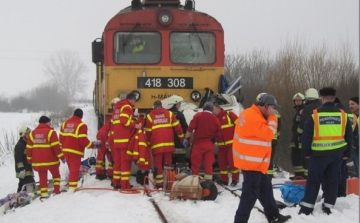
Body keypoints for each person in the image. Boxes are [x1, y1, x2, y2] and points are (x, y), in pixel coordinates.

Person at [232, 93, 291, 223]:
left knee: (265, 189)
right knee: (249, 195)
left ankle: (273, 215)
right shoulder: (254, 117)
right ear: (266, 106)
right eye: (273, 108)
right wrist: (273, 118)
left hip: (255, 161)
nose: (274, 111)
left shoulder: (249, 113)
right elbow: (269, 134)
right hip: (252, 162)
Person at [299, 87, 353, 215]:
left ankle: (307, 208)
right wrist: (347, 153)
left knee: (314, 181)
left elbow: (306, 136)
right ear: (334, 99)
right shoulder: (343, 115)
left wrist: (306, 153)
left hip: (318, 155)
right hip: (337, 154)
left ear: (322, 98)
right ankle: (328, 206)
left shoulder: (315, 115)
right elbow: (349, 136)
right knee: (333, 180)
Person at [145, 100, 184, 188]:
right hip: (168, 144)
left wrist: (148, 143)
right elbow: (177, 127)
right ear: (162, 106)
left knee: (158, 163)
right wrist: (182, 138)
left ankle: (159, 183)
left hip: (156, 145)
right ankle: (168, 182)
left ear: (154, 107)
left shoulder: (150, 116)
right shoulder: (169, 114)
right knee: (168, 163)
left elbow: (148, 132)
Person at [26, 116, 65, 198]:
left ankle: (44, 193)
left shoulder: (32, 134)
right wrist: (62, 157)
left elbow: (29, 148)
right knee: (56, 176)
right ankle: (57, 190)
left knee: (42, 178)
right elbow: (56, 148)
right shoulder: (51, 132)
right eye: (49, 122)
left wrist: (29, 159)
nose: (50, 124)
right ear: (46, 122)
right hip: (51, 160)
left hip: (38, 161)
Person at [59, 109, 98, 192]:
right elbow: (82, 140)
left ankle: (71, 185)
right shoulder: (81, 125)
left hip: (66, 151)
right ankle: (72, 189)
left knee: (71, 169)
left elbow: (61, 138)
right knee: (74, 171)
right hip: (75, 152)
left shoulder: (64, 123)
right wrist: (92, 145)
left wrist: (63, 148)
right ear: (81, 116)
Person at [184, 101, 223, 181]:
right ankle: (208, 183)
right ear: (212, 109)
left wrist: (186, 138)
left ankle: (194, 182)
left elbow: (190, 129)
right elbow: (219, 133)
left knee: (195, 165)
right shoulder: (215, 119)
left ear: (203, 108)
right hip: (209, 145)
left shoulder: (198, 116)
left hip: (198, 145)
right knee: (208, 165)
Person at [112, 92, 142, 189]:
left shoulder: (117, 108)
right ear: (132, 99)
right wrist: (136, 125)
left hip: (116, 140)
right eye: (134, 101)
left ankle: (116, 182)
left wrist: (134, 117)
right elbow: (124, 121)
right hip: (124, 140)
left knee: (118, 163)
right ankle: (125, 185)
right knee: (125, 163)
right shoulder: (127, 107)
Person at [212, 102, 239, 186]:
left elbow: (240, 125)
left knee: (232, 162)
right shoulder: (214, 119)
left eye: (213, 109)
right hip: (221, 146)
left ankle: (235, 179)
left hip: (232, 144)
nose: (212, 111)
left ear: (218, 108)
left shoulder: (229, 114)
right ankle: (224, 180)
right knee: (221, 163)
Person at [297, 88, 322, 178]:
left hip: (309, 139)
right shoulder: (322, 106)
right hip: (321, 141)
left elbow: (302, 125)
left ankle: (309, 180)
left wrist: (298, 132)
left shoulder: (307, 108)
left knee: (307, 162)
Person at [163, 95, 189, 165]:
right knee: (181, 165)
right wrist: (186, 139)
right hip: (179, 144)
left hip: (167, 144)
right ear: (175, 104)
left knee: (168, 165)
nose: (180, 105)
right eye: (179, 104)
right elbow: (185, 128)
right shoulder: (180, 115)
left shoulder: (165, 114)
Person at [289, 93, 306, 179]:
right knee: (295, 156)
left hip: (300, 137)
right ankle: (298, 175)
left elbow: (302, 124)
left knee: (299, 156)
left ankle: (301, 175)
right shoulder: (297, 110)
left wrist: (298, 135)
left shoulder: (303, 110)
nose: (298, 102)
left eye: (299, 100)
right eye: (296, 100)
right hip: (295, 136)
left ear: (303, 101)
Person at [14, 126, 35, 192]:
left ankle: (18, 196)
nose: (30, 135)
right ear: (23, 135)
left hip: (28, 169)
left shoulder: (27, 144)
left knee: (23, 185)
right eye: (28, 133)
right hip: (23, 171)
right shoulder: (19, 146)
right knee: (30, 184)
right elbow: (18, 159)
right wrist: (22, 170)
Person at [348, 96, 359, 177]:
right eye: (349, 104)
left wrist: (355, 143)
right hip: (353, 147)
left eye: (353, 104)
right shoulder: (351, 116)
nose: (350, 106)